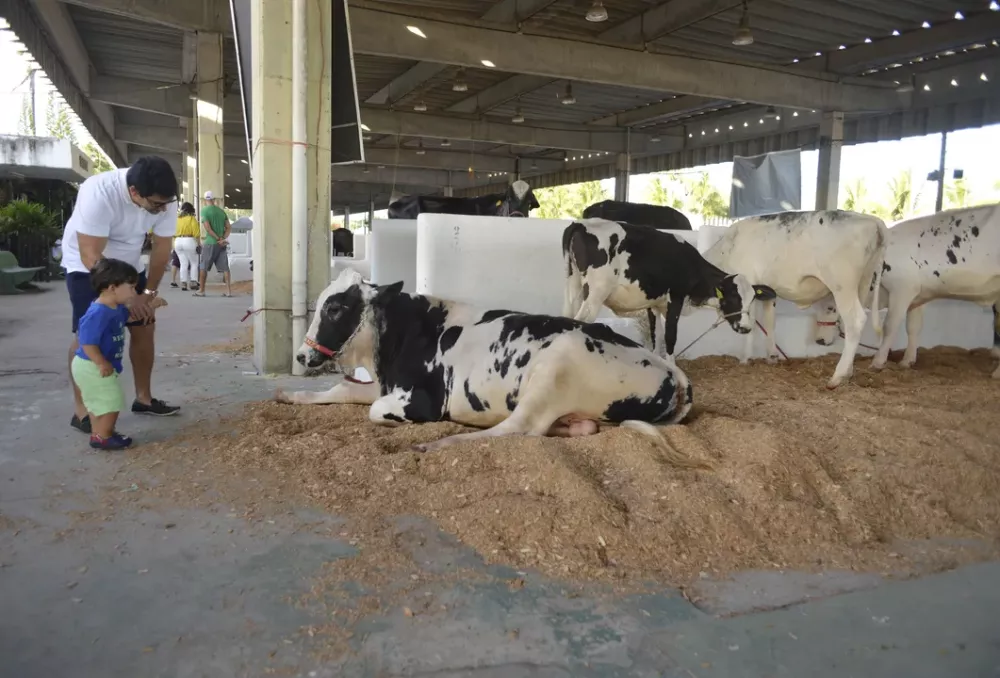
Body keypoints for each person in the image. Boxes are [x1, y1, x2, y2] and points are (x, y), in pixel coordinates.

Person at [62, 155, 182, 435]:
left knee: (144, 324)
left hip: (129, 265)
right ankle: (82, 411)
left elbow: (162, 249)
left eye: (166, 203)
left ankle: (144, 398)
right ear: (134, 193)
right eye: (156, 204)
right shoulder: (98, 192)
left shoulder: (164, 198)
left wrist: (148, 294)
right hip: (87, 268)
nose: (163, 208)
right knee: (86, 336)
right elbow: (90, 253)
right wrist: (124, 297)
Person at [71, 258, 167, 449]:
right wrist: (100, 362)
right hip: (92, 366)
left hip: (95, 365)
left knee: (100, 402)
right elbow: (87, 342)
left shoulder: (114, 308)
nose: (134, 292)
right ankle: (104, 437)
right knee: (111, 401)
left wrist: (152, 305)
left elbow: (130, 316)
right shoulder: (98, 312)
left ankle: (100, 433)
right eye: (131, 287)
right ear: (112, 287)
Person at [194, 190, 232, 297]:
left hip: (210, 242)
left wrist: (217, 238)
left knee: (203, 266)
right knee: (225, 267)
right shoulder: (221, 211)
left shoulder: (204, 211)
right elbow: (229, 227)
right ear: (214, 200)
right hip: (221, 244)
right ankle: (228, 291)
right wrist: (222, 238)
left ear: (205, 200)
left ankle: (201, 290)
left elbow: (208, 228)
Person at [172, 202, 201, 291]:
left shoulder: (177, 219)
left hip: (177, 241)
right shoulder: (191, 219)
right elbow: (196, 233)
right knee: (194, 262)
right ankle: (193, 282)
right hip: (189, 240)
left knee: (183, 263)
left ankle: (183, 283)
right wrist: (199, 244)